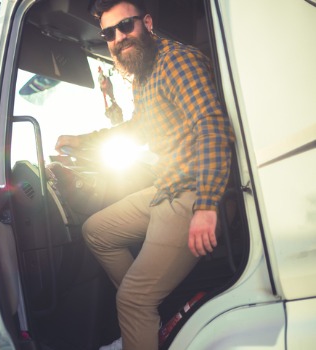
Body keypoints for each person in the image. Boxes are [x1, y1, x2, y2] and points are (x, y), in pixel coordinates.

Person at [54, 0, 235, 349]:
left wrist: (207, 205)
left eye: (126, 26)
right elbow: (139, 127)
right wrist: (84, 140)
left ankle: (139, 310)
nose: (119, 37)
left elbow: (212, 126)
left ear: (146, 23)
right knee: (97, 231)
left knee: (133, 299)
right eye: (109, 33)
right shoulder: (144, 75)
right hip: (166, 188)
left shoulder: (177, 61)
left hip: (194, 192)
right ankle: (150, 317)